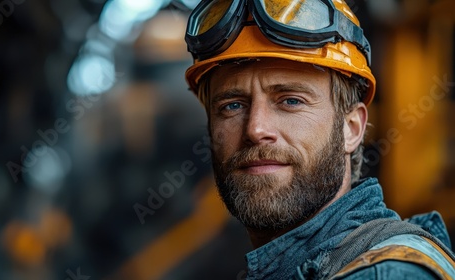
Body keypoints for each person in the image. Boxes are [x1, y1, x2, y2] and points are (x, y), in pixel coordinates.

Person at [183, 0, 455, 279]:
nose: (255, 129)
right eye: (232, 105)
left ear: (351, 129)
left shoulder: (386, 274)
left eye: (290, 100)